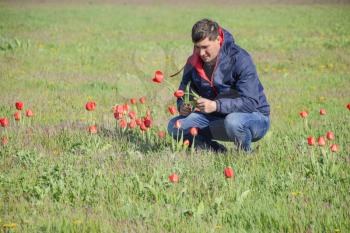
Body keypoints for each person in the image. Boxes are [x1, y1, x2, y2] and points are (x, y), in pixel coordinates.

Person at [167, 19, 270, 153]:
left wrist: (215, 105)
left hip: (254, 118)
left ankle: (246, 156)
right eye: (197, 47)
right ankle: (217, 152)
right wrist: (182, 106)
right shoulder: (192, 62)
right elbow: (183, 92)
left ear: (218, 40)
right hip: (218, 118)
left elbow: (250, 102)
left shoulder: (240, 59)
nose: (201, 53)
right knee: (175, 127)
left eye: (205, 47)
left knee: (233, 121)